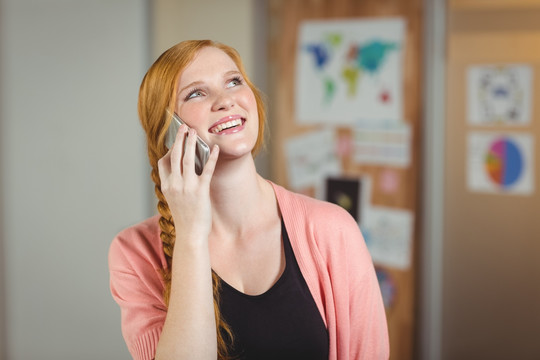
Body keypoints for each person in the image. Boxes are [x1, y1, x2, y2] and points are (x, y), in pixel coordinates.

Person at [108, 39, 389, 360]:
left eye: (234, 82)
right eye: (196, 93)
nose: (226, 100)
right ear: (168, 131)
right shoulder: (133, 254)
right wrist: (190, 235)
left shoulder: (332, 229)